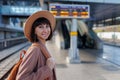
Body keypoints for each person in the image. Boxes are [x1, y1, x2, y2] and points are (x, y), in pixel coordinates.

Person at [16, 10, 56, 80]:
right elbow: (21, 78)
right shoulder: (35, 50)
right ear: (34, 30)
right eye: (40, 27)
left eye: (47, 26)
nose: (45, 30)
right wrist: (47, 68)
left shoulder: (42, 47)